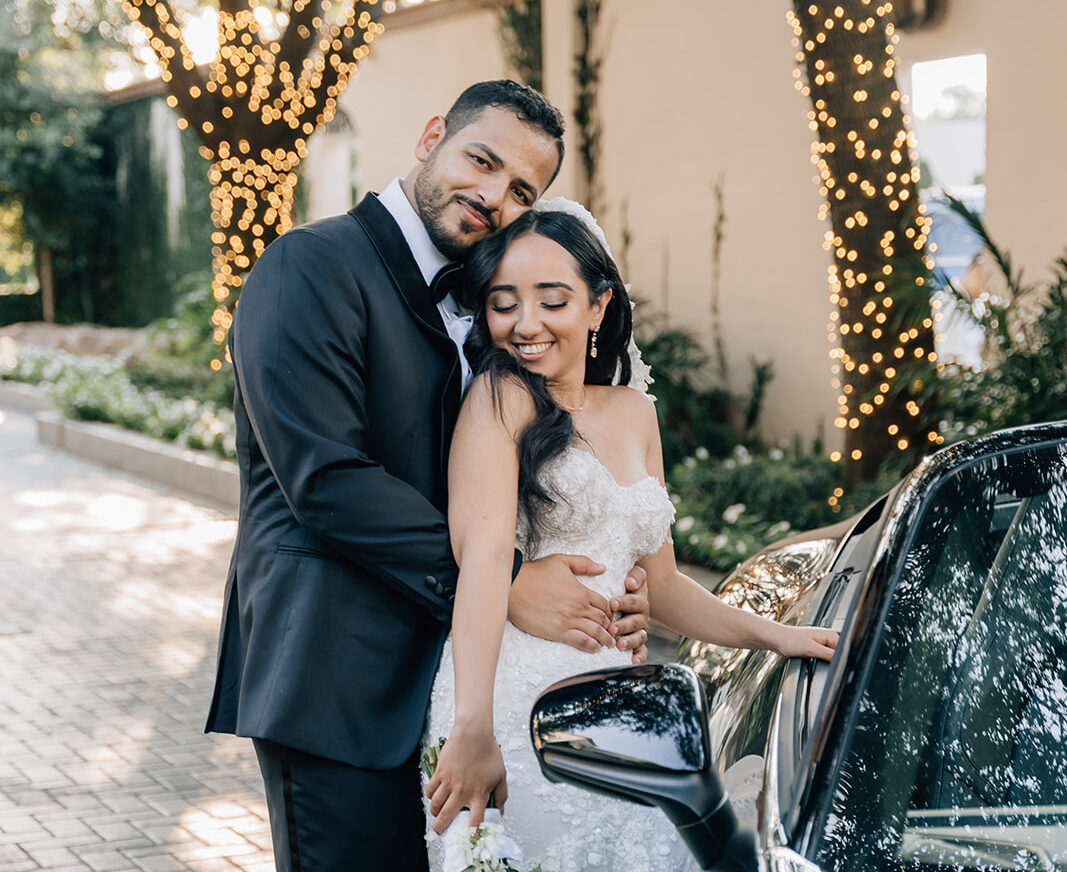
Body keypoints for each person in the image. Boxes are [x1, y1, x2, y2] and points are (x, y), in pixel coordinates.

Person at [204, 82, 653, 872]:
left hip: (458, 683)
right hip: (337, 683)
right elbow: (326, 479)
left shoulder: (492, 304)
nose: (491, 195)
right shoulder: (309, 267)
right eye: (480, 160)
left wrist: (610, 581)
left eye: (522, 190)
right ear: (430, 137)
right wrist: (511, 581)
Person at [423, 200, 839, 871]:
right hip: (510, 697)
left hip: (621, 702)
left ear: (597, 305)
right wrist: (471, 725)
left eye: (552, 300)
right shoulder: (499, 398)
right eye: (504, 303)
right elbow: (484, 560)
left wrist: (777, 635)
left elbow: (664, 583)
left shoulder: (635, 411)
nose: (525, 324)